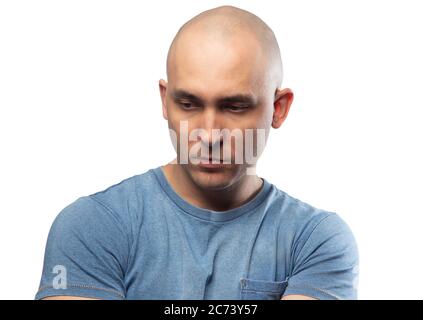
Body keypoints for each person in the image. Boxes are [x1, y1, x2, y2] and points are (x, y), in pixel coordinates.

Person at [35, 5, 359, 300]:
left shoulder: (316, 239)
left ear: (278, 108)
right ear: (165, 101)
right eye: (188, 104)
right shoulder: (91, 226)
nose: (208, 133)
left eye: (234, 106)